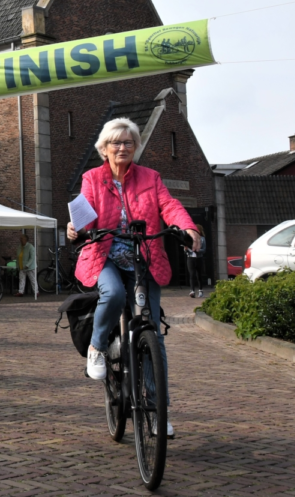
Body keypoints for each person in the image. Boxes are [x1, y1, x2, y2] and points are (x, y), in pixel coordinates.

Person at [66, 117, 200, 439]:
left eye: (128, 142)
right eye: (116, 143)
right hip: (105, 255)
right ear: (105, 148)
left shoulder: (151, 178)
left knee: (151, 330)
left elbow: (169, 205)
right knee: (112, 295)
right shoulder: (92, 179)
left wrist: (188, 228)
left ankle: (157, 411)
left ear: (136, 147)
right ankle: (97, 347)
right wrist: (75, 229)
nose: (122, 147)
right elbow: (83, 217)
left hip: (144, 258)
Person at [14, 232, 37, 299]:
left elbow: (32, 257)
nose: (20, 240)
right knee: (21, 279)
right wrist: (18, 265)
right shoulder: (19, 247)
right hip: (21, 266)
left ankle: (36, 291)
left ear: (26, 240)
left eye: (22, 239)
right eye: (20, 239)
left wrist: (27, 265)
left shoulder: (30, 247)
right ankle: (21, 292)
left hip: (30, 267)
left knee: (32, 279)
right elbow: (18, 256)